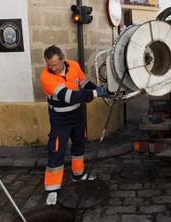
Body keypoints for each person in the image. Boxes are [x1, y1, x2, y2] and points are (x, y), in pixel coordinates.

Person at [40, 45, 109, 205]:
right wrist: (94, 94)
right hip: (59, 119)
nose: (53, 68)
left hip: (77, 116)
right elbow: (68, 96)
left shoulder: (74, 66)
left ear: (63, 59)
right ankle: (52, 189)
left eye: (56, 64)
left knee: (79, 146)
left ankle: (78, 175)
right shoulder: (46, 77)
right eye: (49, 65)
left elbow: (84, 84)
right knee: (56, 150)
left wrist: (99, 89)